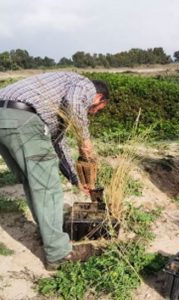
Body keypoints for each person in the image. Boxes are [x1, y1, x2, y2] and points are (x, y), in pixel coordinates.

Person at [0, 72, 109, 270]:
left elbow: (58, 144)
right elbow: (76, 103)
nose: (93, 114)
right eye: (97, 109)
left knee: (33, 183)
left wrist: (75, 179)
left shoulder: (55, 102)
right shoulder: (84, 85)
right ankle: (59, 254)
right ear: (99, 98)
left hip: (4, 118)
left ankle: (47, 233)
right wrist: (85, 141)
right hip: (24, 118)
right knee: (48, 188)